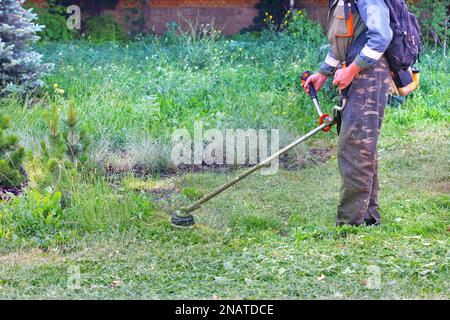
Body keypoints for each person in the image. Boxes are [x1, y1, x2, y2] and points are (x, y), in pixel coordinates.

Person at [303, 0, 393, 226]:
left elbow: (381, 36)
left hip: (368, 74)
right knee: (362, 147)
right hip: (357, 71)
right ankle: (367, 216)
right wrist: (324, 73)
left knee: (355, 148)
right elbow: (344, 41)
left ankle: (351, 223)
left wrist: (352, 70)